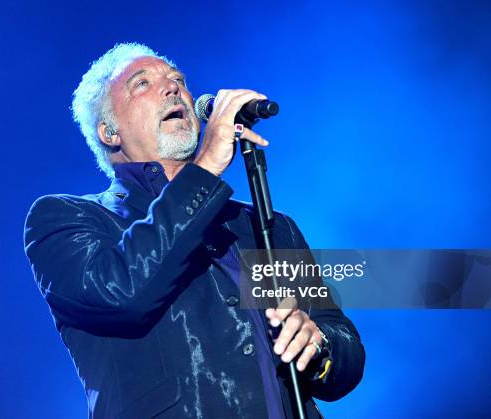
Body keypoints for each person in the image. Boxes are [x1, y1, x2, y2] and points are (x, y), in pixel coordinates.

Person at [23, 43, 365, 418]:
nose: (173, 88)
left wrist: (319, 348)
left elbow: (345, 348)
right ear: (109, 132)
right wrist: (203, 171)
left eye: (178, 80)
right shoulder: (66, 217)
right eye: (142, 84)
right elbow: (120, 293)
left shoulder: (268, 226)